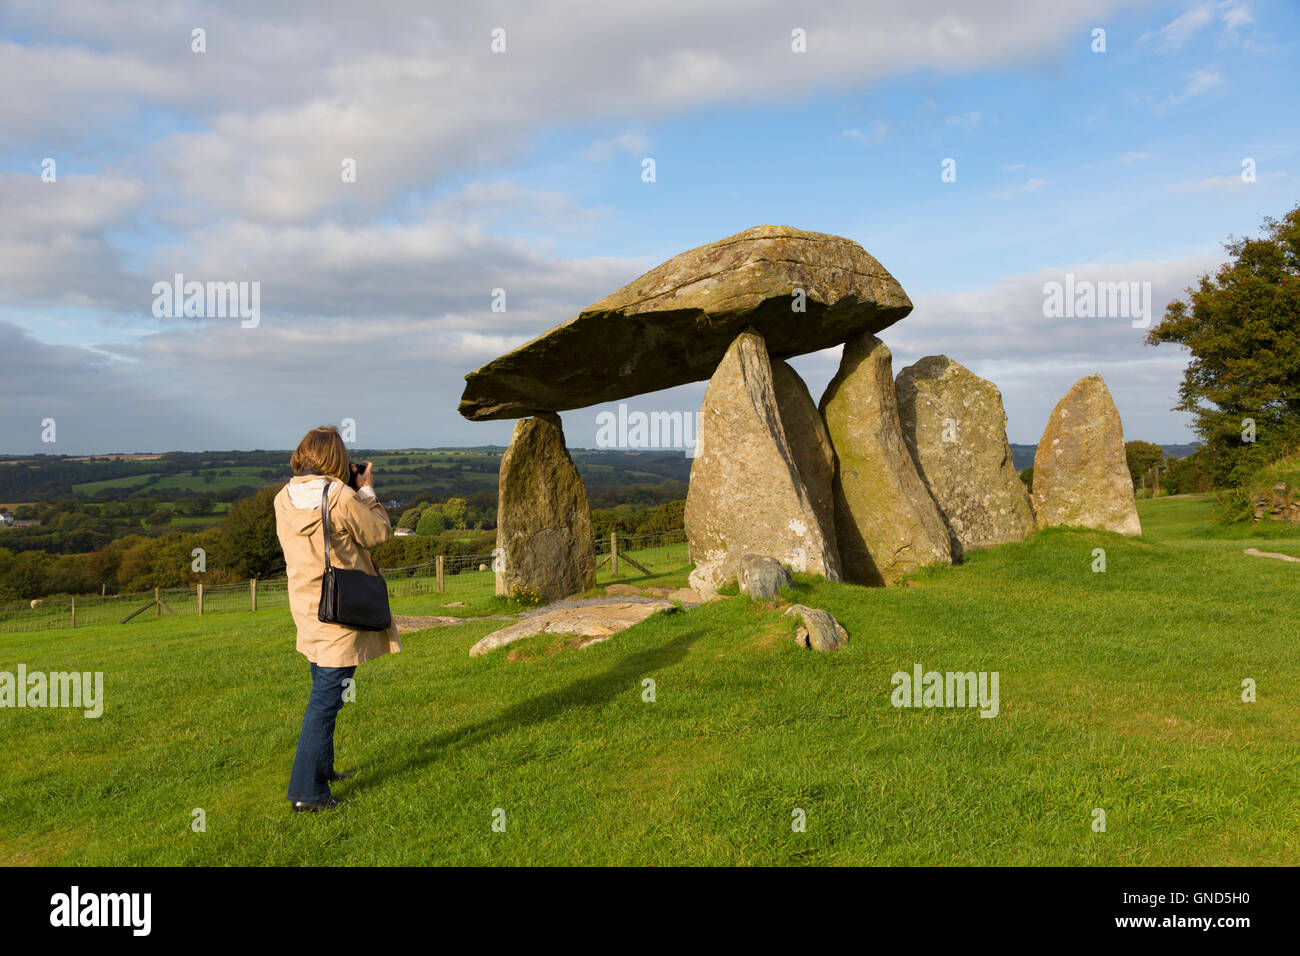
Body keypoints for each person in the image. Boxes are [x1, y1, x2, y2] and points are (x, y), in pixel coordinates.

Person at [274, 425, 401, 812]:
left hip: (307, 606)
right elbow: (379, 534)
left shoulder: (283, 496)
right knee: (325, 700)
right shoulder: (341, 495)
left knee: (324, 687)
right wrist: (366, 491)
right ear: (336, 459)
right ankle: (306, 795)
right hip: (340, 610)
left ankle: (323, 769)